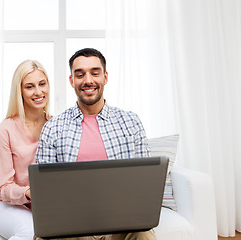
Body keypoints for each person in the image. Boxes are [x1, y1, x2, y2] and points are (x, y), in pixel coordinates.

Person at [36, 48, 155, 240]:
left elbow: (146, 184)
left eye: (95, 73)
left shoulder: (130, 122)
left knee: (144, 235)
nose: (88, 80)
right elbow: (45, 192)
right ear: (71, 81)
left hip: (121, 220)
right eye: (80, 74)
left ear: (105, 77)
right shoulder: (54, 127)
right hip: (72, 222)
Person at [0, 60, 50, 240]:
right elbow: (4, 187)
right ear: (20, 91)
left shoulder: (56, 125)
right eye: (29, 87)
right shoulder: (5, 130)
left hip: (45, 206)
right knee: (30, 231)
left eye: (42, 84)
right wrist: (27, 192)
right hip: (9, 205)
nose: (38, 92)